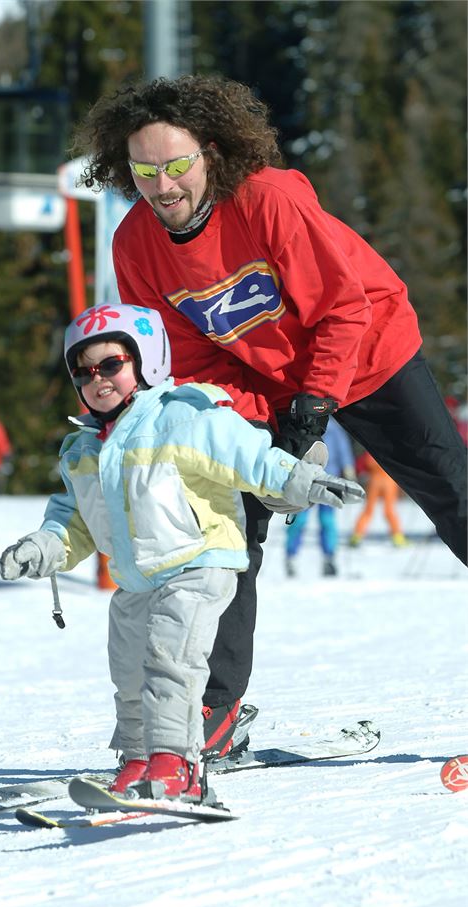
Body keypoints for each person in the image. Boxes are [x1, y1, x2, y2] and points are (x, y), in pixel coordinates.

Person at [73, 74, 468, 754]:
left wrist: (311, 414)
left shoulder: (267, 201)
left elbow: (344, 310)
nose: (162, 187)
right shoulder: (135, 242)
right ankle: (214, 715)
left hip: (370, 355)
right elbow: (192, 357)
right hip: (260, 382)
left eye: (176, 166)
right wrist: (253, 442)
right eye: (144, 172)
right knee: (225, 526)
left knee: (454, 497)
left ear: (212, 154)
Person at [0, 303, 363, 802]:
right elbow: (75, 519)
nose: (97, 380)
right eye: (83, 372)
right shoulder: (83, 449)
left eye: (111, 365)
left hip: (200, 562)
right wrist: (43, 547)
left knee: (169, 659)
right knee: (128, 673)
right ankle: (139, 759)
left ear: (145, 361)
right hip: (138, 578)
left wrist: (301, 478)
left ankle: (178, 764)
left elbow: (249, 457)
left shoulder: (183, 417)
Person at [285, 417, 356, 577]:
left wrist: (348, 467)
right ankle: (291, 556)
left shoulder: (334, 428)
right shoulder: (303, 423)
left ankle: (329, 557)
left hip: (328, 480)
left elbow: (343, 449)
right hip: (305, 480)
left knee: (327, 521)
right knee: (299, 521)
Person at [349, 452, 408, 548]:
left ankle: (357, 535)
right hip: (389, 480)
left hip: (375, 480)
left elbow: (361, 464)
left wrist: (360, 472)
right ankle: (398, 537)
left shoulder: (372, 448)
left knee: (369, 510)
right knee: (388, 510)